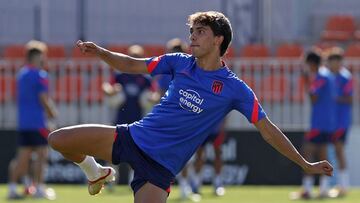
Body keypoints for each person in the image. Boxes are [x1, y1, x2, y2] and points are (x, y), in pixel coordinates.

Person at [48, 11, 333, 203]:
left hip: (160, 167)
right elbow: (134, 65)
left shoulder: (236, 89)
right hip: (132, 137)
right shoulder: (179, 62)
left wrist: (304, 164)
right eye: (192, 31)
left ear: (218, 39)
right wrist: (101, 53)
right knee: (58, 140)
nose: (192, 36)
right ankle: (95, 171)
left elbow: (268, 131)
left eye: (201, 31)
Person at [7, 40, 57, 200]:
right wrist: (51, 113)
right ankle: (39, 189)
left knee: (22, 157)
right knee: (42, 155)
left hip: (24, 122)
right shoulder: (40, 75)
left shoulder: (21, 74)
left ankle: (12, 187)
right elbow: (42, 98)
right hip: (37, 122)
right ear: (38, 56)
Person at [102, 44, 154, 189]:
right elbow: (107, 88)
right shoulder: (120, 76)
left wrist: (152, 98)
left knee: (137, 151)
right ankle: (110, 179)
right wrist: (112, 91)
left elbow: (154, 95)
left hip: (138, 120)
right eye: (133, 57)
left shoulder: (145, 79)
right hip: (120, 119)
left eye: (138, 57)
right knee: (113, 149)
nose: (135, 60)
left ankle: (134, 179)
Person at [291, 50, 336, 200]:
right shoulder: (326, 75)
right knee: (323, 154)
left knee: (307, 154)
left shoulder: (321, 77)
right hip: (327, 122)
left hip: (319, 123)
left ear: (311, 63)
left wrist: (306, 80)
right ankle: (323, 189)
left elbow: (314, 98)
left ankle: (307, 189)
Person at [326, 47, 352, 197]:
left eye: (336, 61)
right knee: (332, 152)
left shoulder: (345, 77)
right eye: (331, 61)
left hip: (341, 121)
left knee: (339, 151)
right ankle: (337, 185)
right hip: (330, 121)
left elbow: (349, 98)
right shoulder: (328, 76)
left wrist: (333, 98)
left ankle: (343, 186)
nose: (333, 64)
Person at [191, 120, 226, 196]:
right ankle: (196, 185)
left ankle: (218, 184)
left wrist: (222, 127)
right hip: (203, 129)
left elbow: (225, 113)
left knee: (218, 155)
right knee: (199, 156)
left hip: (216, 130)